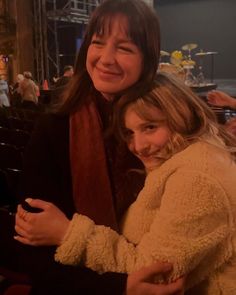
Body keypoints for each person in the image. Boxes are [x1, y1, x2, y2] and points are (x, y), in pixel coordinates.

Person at [1, 0, 184, 294]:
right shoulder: (54, 129)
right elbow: (31, 252)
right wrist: (119, 288)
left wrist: (65, 233)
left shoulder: (170, 129)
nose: (106, 58)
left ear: (147, 59)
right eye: (98, 42)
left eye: (124, 48)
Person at [15, 72, 236, 294]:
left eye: (150, 127)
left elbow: (153, 274)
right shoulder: (183, 160)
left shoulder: (197, 179)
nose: (138, 146)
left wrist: (67, 234)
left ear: (181, 115)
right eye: (129, 133)